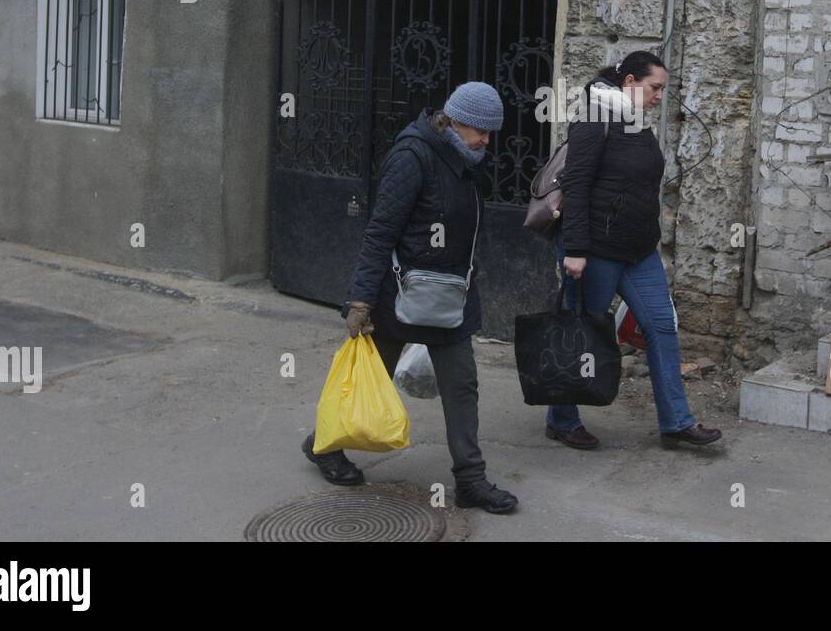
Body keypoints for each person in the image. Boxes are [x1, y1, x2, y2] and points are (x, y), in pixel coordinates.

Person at [301, 82, 518, 515]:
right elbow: (380, 231)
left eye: (491, 133)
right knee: (367, 382)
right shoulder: (412, 156)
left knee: (462, 387)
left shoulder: (469, 159)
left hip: (450, 297)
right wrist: (360, 300)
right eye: (481, 131)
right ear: (455, 122)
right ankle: (323, 445)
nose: (487, 141)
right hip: (397, 297)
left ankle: (471, 481)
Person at [546, 50, 723, 451]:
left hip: (639, 253)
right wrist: (574, 250)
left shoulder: (636, 122)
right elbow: (576, 186)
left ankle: (677, 422)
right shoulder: (594, 119)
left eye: (663, 88)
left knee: (661, 328)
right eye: (655, 87)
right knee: (583, 335)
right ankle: (561, 418)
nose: (661, 95)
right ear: (629, 82)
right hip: (596, 252)